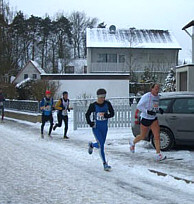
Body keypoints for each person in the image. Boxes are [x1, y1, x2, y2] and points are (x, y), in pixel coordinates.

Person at [129, 84, 166, 161]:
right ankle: (133, 142)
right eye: (156, 89)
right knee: (142, 136)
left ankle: (158, 154)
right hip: (145, 118)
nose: (157, 90)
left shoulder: (157, 97)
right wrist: (147, 111)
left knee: (157, 136)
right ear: (151, 89)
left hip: (153, 118)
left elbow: (155, 106)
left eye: (158, 89)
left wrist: (159, 109)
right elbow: (139, 106)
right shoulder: (146, 96)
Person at [85, 88, 114, 171]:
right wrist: (90, 123)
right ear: (98, 97)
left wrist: (106, 115)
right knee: (101, 145)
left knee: (100, 144)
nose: (103, 99)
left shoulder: (107, 104)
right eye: (101, 97)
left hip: (104, 127)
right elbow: (87, 114)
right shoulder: (93, 105)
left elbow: (112, 113)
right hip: (96, 127)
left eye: (104, 97)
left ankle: (92, 145)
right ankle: (105, 163)